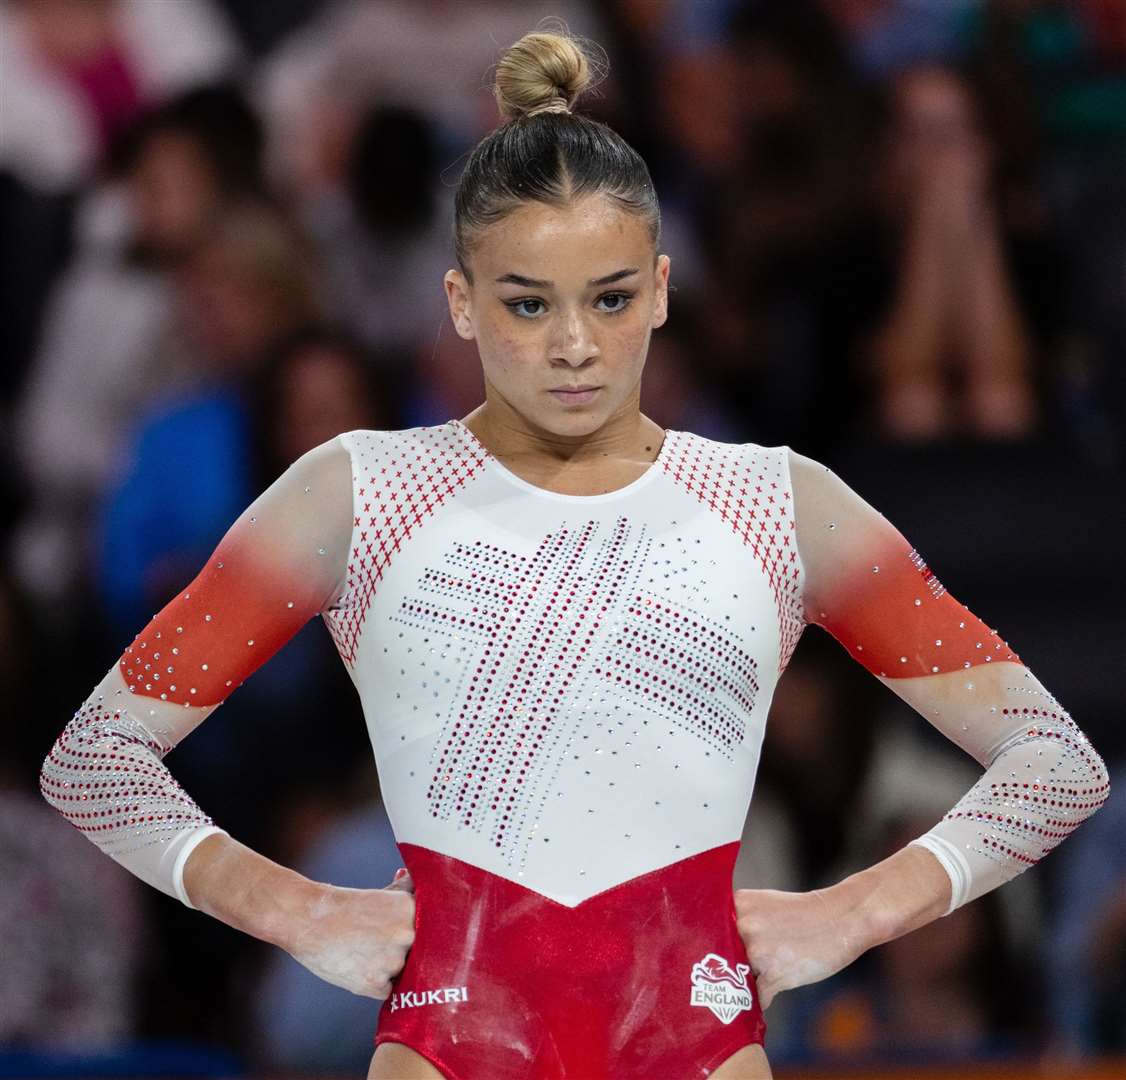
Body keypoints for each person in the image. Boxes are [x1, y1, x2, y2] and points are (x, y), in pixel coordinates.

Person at [40, 27, 1110, 1080]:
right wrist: (294, 907)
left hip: (693, 1045)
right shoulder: (359, 496)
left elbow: (1051, 764)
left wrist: (852, 912)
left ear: (657, 288)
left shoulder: (776, 505)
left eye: (607, 299)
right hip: (448, 1047)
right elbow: (96, 759)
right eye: (525, 303)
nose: (571, 346)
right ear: (459, 303)